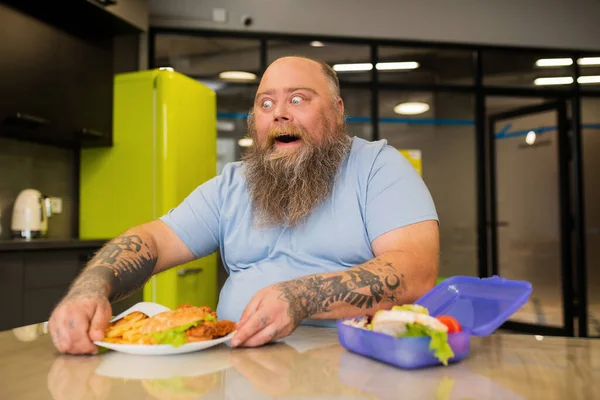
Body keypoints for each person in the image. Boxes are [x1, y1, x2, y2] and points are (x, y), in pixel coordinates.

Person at [48, 56, 440, 355]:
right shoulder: (234, 183)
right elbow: (153, 240)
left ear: (337, 111)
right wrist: (89, 288)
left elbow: (415, 267)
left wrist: (302, 297)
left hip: (348, 365)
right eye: (265, 104)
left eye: (298, 99)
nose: (279, 113)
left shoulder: (377, 167)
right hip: (237, 362)